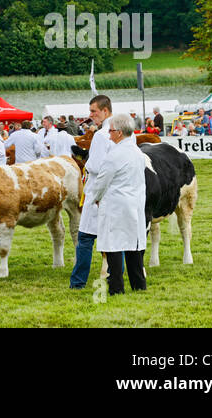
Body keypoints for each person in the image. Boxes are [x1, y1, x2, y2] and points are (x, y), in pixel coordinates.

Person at [86, 113, 148, 295]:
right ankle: (138, 285)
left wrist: (95, 198)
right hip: (134, 203)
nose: (109, 134)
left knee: (113, 246)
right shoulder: (137, 152)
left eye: (111, 131)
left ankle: (116, 287)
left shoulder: (114, 155)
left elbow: (101, 182)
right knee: (134, 246)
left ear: (119, 133)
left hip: (115, 204)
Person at [70, 95, 115, 289]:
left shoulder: (101, 135)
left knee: (86, 238)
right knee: (113, 239)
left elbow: (95, 166)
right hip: (115, 191)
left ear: (105, 111)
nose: (91, 115)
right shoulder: (121, 131)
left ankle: (78, 282)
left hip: (98, 190)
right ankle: (115, 278)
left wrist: (86, 163)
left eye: (93, 111)